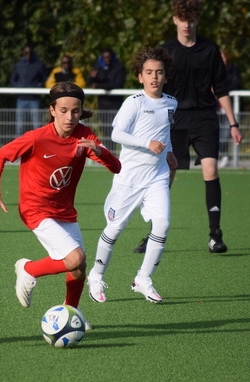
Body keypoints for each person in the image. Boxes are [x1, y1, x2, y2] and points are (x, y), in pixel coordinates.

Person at [0, 82, 121, 325]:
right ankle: (28, 270)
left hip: (64, 211)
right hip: (35, 209)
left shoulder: (85, 136)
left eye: (75, 111)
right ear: (52, 110)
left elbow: (116, 167)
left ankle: (71, 312)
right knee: (75, 258)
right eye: (63, 110)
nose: (70, 117)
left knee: (78, 268)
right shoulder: (37, 138)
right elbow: (1, 155)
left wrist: (100, 151)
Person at [134, 0, 243, 255]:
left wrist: (233, 123)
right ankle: (154, 235)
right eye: (182, 19)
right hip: (175, 120)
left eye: (191, 20)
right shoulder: (166, 52)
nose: (187, 24)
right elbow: (154, 89)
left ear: (197, 21)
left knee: (210, 169)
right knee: (167, 176)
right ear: (175, 20)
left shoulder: (210, 50)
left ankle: (215, 236)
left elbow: (221, 89)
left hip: (205, 119)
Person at [88, 47, 178, 304]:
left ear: (166, 76)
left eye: (159, 72)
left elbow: (164, 132)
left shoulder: (172, 102)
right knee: (115, 228)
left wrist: (170, 152)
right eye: (148, 72)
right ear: (140, 76)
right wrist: (147, 143)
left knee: (162, 224)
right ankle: (96, 275)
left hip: (157, 176)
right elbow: (117, 134)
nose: (154, 77)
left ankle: (143, 278)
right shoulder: (134, 102)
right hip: (129, 178)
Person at [87, 48, 127, 150]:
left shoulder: (119, 67)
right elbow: (91, 83)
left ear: (112, 57)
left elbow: (118, 84)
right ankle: (108, 151)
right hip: (102, 103)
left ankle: (113, 151)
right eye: (104, 57)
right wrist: (92, 77)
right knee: (104, 129)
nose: (107, 59)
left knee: (113, 129)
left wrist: (99, 85)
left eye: (108, 57)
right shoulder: (98, 66)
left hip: (115, 103)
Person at [10, 43, 48, 136]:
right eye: (26, 53)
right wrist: (18, 87)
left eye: (30, 53)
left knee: (36, 126)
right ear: (23, 52)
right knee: (19, 126)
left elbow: (45, 79)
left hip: (34, 99)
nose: (28, 55)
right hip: (21, 99)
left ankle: (38, 143)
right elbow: (13, 79)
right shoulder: (19, 65)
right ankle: (19, 144)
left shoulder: (39, 65)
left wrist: (38, 87)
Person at [217, 49, 243, 168]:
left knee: (225, 134)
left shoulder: (232, 70)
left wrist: (220, 89)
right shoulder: (211, 70)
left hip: (228, 108)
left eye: (223, 57)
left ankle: (225, 156)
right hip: (214, 108)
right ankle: (216, 156)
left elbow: (235, 84)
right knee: (215, 133)